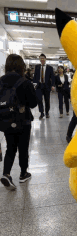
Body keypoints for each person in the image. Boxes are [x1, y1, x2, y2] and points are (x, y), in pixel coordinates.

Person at [0, 54, 38, 190]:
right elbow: (33, 104)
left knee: (10, 148)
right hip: (23, 120)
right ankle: (23, 174)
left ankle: (6, 173)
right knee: (23, 147)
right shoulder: (24, 81)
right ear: (21, 66)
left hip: (6, 120)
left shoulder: (1, 81)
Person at [33, 53, 55, 120]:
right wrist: (34, 84)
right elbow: (35, 77)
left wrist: (53, 85)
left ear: (45, 59)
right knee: (39, 100)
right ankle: (41, 113)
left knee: (47, 100)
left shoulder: (50, 68)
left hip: (46, 86)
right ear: (39, 59)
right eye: (40, 58)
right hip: (39, 86)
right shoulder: (37, 67)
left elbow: (53, 77)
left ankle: (47, 112)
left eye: (43, 58)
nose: (42, 60)